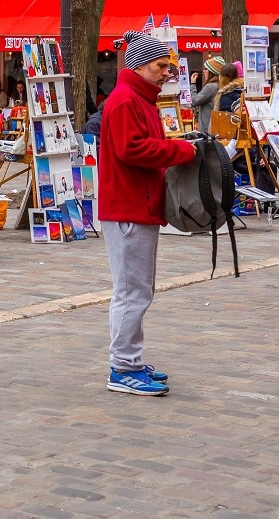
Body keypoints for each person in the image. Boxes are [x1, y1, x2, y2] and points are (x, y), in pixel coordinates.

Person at [98, 31, 196, 396]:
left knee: (137, 289)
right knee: (132, 291)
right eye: (160, 66)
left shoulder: (137, 99)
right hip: (128, 206)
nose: (166, 73)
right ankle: (122, 367)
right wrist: (181, 152)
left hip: (136, 204)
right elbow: (132, 150)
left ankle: (130, 360)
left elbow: (138, 147)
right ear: (139, 66)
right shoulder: (126, 101)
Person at [193, 55, 227, 133]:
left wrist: (192, 84)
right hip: (216, 128)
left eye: (206, 69)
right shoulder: (220, 85)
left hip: (207, 130)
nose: (204, 71)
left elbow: (194, 101)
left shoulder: (210, 87)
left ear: (212, 71)